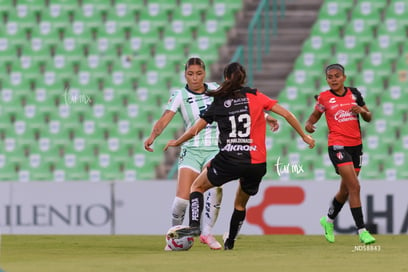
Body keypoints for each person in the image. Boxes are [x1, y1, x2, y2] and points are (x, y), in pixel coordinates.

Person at [164, 62, 315, 250]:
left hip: (229, 159)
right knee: (240, 204)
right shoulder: (255, 95)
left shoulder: (219, 100)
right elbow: (286, 114)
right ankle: (230, 242)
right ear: (243, 78)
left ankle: (195, 227)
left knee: (197, 187)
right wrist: (304, 136)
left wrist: (177, 142)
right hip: (256, 163)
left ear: (226, 79)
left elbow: (195, 129)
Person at [144, 57, 278, 250]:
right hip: (191, 149)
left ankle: (207, 233)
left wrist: (267, 117)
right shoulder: (179, 95)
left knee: (215, 190)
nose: (195, 78)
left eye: (198, 73)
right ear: (185, 74)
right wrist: (153, 136)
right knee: (182, 201)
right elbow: (165, 118)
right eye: (190, 74)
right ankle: (175, 236)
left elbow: (244, 106)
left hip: (215, 148)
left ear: (204, 73)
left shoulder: (216, 88)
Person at [304, 63, 376, 245]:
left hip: (356, 146)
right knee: (355, 186)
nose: (333, 79)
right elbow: (314, 116)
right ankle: (362, 230)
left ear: (344, 77)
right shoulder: (324, 98)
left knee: (345, 190)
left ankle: (327, 221)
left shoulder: (355, 94)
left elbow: (369, 117)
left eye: (337, 76)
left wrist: (362, 111)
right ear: (326, 80)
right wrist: (309, 125)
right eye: (330, 77)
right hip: (337, 146)